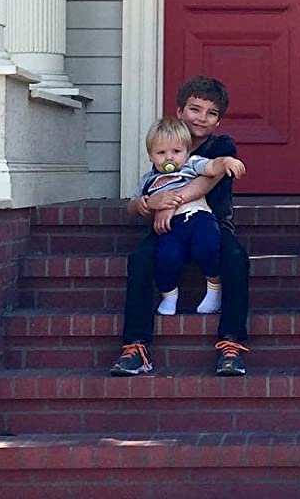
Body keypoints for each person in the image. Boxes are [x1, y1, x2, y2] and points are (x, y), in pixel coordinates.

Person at [110, 76, 252, 377]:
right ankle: (135, 346)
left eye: (211, 113)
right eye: (194, 109)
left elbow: (206, 181)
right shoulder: (168, 143)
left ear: (218, 121)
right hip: (168, 226)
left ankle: (231, 343)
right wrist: (148, 203)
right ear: (179, 111)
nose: (201, 118)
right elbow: (141, 199)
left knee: (235, 258)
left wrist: (169, 202)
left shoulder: (222, 145)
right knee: (140, 259)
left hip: (211, 222)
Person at [137, 116, 245, 317]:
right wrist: (143, 204)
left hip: (199, 219)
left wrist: (226, 161)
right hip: (170, 227)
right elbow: (134, 205)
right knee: (166, 258)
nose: (169, 158)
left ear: (187, 152)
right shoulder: (148, 181)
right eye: (161, 153)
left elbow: (211, 167)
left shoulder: (191, 164)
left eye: (176, 152)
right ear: (151, 156)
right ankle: (169, 295)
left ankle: (214, 289)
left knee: (208, 248)